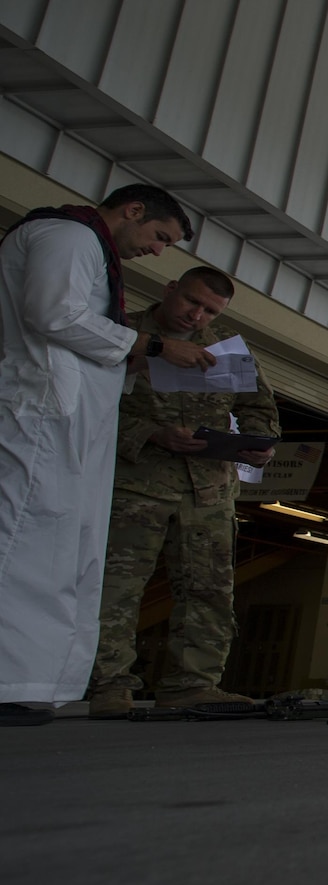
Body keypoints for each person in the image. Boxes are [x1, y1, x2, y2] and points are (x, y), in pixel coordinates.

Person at [0, 184, 211, 726]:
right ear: (133, 210)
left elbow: (74, 332)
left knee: (59, 550)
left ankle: (32, 681)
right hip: (41, 417)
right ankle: (9, 680)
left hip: (71, 423)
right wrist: (152, 346)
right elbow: (52, 313)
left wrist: (130, 364)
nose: (157, 250)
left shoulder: (90, 248)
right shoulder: (68, 235)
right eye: (158, 236)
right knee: (22, 541)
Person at [88, 268, 280, 716]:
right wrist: (152, 434)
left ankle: (192, 684)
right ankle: (109, 686)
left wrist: (258, 442)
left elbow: (258, 404)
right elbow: (87, 407)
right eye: (192, 302)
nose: (197, 316)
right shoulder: (125, 334)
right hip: (136, 485)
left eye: (210, 311)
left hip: (209, 492)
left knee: (209, 590)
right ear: (170, 288)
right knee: (116, 588)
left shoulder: (226, 344)